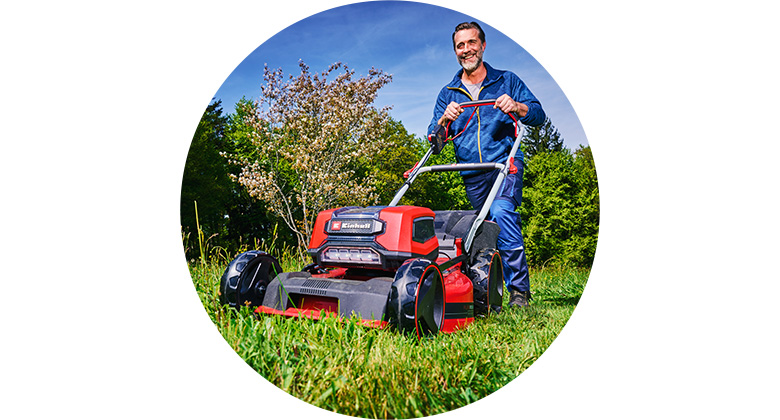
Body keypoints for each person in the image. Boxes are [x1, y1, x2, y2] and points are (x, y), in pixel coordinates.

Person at [428, 21, 545, 309]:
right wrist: (444, 120)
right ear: (455, 51)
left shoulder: (507, 80)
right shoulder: (448, 92)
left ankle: (519, 292)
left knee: (502, 212)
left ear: (482, 45)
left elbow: (539, 115)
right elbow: (435, 139)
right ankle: (483, 289)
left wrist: (516, 106)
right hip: (471, 172)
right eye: (460, 45)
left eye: (471, 43)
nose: (466, 50)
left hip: (504, 164)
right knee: (483, 229)